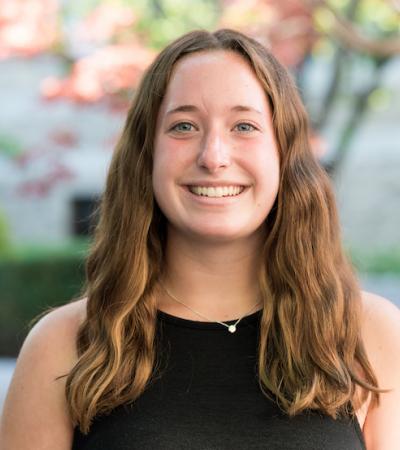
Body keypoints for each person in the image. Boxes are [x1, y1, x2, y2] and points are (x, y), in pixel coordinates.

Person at [0, 28, 399, 450]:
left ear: (284, 153)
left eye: (244, 126)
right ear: (147, 154)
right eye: (184, 126)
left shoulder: (370, 335)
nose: (213, 156)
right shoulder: (63, 345)